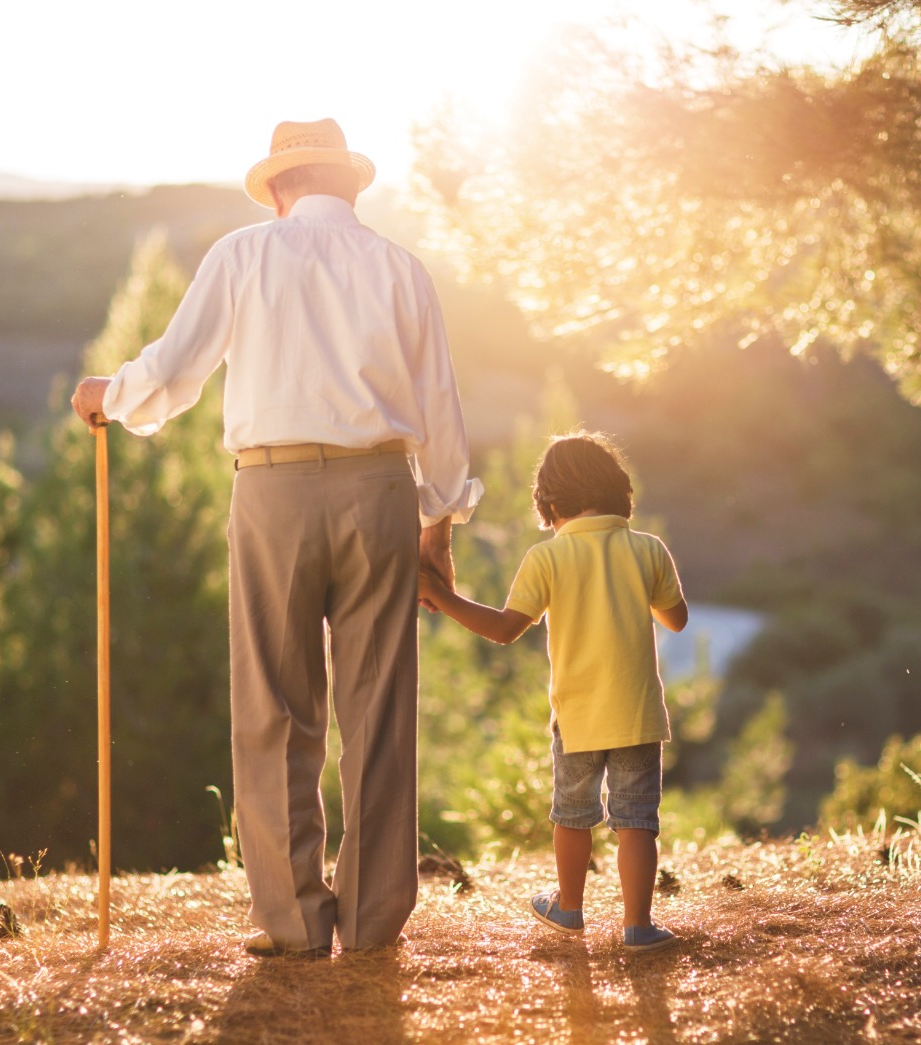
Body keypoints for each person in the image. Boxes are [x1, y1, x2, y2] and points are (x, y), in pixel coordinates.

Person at [69, 118, 482, 958]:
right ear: (350, 185)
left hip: (272, 490)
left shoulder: (243, 254)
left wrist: (109, 394)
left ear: (281, 188)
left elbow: (175, 373)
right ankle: (370, 923)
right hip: (381, 492)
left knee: (274, 705)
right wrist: (438, 524)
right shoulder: (403, 269)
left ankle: (294, 921)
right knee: (379, 707)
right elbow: (441, 408)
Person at [417, 431, 688, 953]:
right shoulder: (648, 549)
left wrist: (440, 595)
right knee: (636, 820)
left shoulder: (547, 558)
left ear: (551, 503)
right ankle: (638, 927)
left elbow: (503, 630)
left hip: (579, 716)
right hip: (637, 714)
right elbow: (676, 620)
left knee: (572, 814)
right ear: (618, 494)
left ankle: (568, 907)